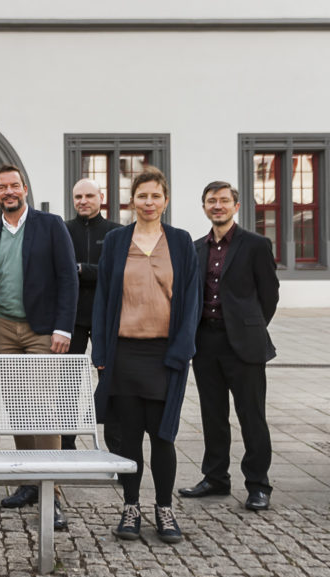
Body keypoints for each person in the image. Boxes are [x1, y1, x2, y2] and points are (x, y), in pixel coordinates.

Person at [92, 166, 200, 543]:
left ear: (165, 200)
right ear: (132, 201)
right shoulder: (117, 241)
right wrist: (101, 352)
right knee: (129, 437)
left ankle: (165, 509)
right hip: (124, 354)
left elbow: (191, 301)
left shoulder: (182, 242)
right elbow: (103, 297)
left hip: (164, 355)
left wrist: (182, 351)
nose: (149, 202)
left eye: (156, 196)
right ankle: (131, 506)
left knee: (163, 437)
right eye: (142, 196)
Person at [0, 164, 78, 530]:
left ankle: (53, 490)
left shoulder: (50, 225)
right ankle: (29, 481)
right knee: (16, 404)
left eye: (14, 185)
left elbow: (67, 278)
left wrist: (64, 327)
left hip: (42, 329)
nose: (9, 192)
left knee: (43, 406)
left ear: (25, 189)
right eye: (2, 187)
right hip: (3, 327)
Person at [178, 181, 279, 511]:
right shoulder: (195, 248)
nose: (217, 206)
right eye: (211, 201)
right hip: (206, 341)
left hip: (244, 344)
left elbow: (269, 296)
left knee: (251, 415)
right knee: (212, 414)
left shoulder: (255, 245)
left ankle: (258, 484)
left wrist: (250, 325)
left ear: (236, 206)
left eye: (224, 201)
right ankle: (216, 477)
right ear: (204, 207)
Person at [64, 178, 122, 454]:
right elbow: (58, 272)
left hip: (106, 319)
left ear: (101, 197)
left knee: (111, 385)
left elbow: (115, 273)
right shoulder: (64, 230)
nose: (83, 201)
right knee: (67, 387)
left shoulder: (116, 233)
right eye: (78, 197)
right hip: (72, 320)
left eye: (88, 196)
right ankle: (66, 448)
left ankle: (116, 450)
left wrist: (80, 270)